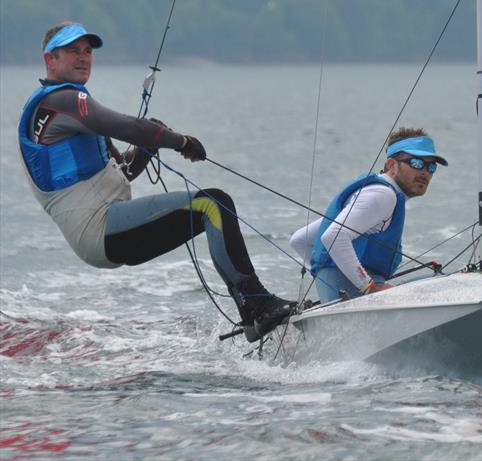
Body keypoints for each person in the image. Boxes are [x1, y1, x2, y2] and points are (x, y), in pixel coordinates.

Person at [18, 22, 294, 342]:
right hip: (99, 229)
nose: (83, 58)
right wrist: (180, 141)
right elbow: (128, 127)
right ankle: (256, 307)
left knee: (212, 206)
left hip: (108, 227)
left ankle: (256, 312)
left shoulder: (65, 108)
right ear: (50, 60)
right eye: (72, 51)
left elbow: (122, 171)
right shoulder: (62, 102)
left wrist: (146, 149)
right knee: (212, 204)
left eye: (88, 51)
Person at [290, 128, 447, 303]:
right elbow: (333, 236)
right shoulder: (383, 195)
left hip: (344, 301)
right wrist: (368, 285)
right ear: (392, 165)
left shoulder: (372, 191)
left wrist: (326, 282)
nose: (425, 172)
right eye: (417, 163)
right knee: (444, 284)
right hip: (356, 304)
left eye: (431, 167)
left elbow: (300, 239)